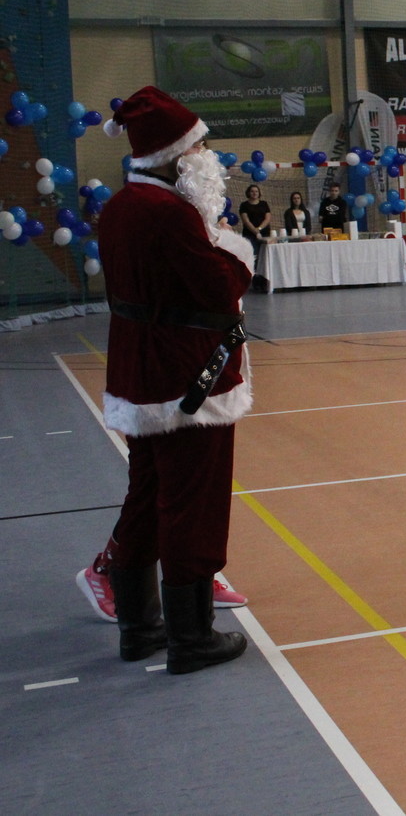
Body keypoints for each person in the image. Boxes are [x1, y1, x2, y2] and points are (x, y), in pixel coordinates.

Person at [73, 85, 252, 674]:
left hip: (140, 373)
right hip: (185, 379)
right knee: (193, 502)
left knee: (147, 495)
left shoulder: (123, 206)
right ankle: (191, 637)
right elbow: (221, 285)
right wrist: (230, 245)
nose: (206, 156)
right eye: (198, 146)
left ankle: (138, 627)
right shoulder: (170, 214)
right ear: (175, 155)